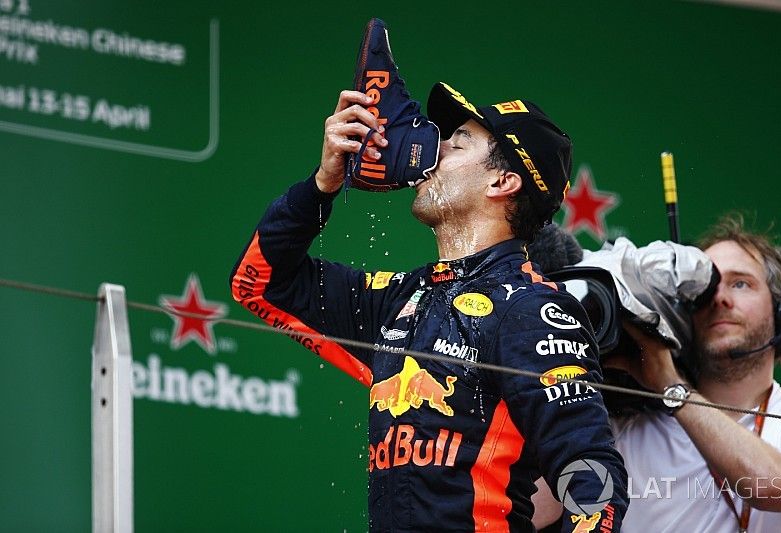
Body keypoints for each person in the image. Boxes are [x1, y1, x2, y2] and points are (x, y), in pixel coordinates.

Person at [230, 83, 628, 532]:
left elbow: (594, 480)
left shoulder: (531, 310)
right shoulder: (401, 298)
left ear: (503, 182)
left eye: (457, 142)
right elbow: (260, 282)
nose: (431, 152)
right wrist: (323, 184)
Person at [611, 213, 781, 531]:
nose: (719, 298)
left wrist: (671, 387)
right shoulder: (622, 426)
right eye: (705, 287)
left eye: (740, 283)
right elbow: (526, 508)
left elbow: (777, 485)